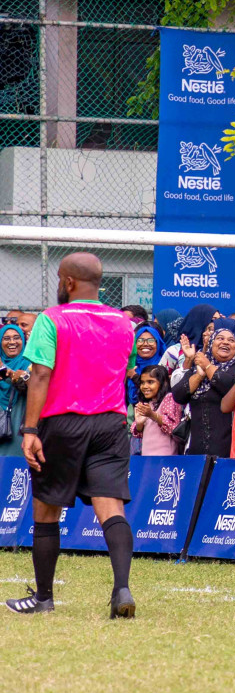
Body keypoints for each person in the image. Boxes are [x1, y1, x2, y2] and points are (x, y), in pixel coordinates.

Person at [7, 252, 137, 617]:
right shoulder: (124, 323)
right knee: (111, 508)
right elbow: (122, 371)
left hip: (63, 422)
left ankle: (44, 598)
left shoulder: (52, 318)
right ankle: (122, 589)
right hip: (111, 424)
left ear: (67, 282)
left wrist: (30, 428)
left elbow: (41, 375)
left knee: (46, 510)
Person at [171, 318, 235, 458]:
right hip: (196, 449)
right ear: (210, 344)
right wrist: (199, 375)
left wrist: (208, 366)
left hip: (227, 450)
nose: (225, 342)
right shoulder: (198, 367)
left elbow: (227, 386)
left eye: (231, 340)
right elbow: (178, 395)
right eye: (220, 338)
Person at [130, 366, 179, 457]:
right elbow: (137, 433)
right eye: (142, 383)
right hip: (147, 456)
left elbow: (173, 427)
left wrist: (152, 415)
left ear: (163, 383)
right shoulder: (147, 403)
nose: (144, 386)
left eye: (150, 382)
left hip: (165, 457)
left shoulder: (169, 398)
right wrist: (139, 424)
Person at [0, 323, 31, 457]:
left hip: (20, 422)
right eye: (6, 338)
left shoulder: (30, 363)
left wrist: (9, 373)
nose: (12, 342)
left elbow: (33, 387)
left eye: (16, 338)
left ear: (23, 341)